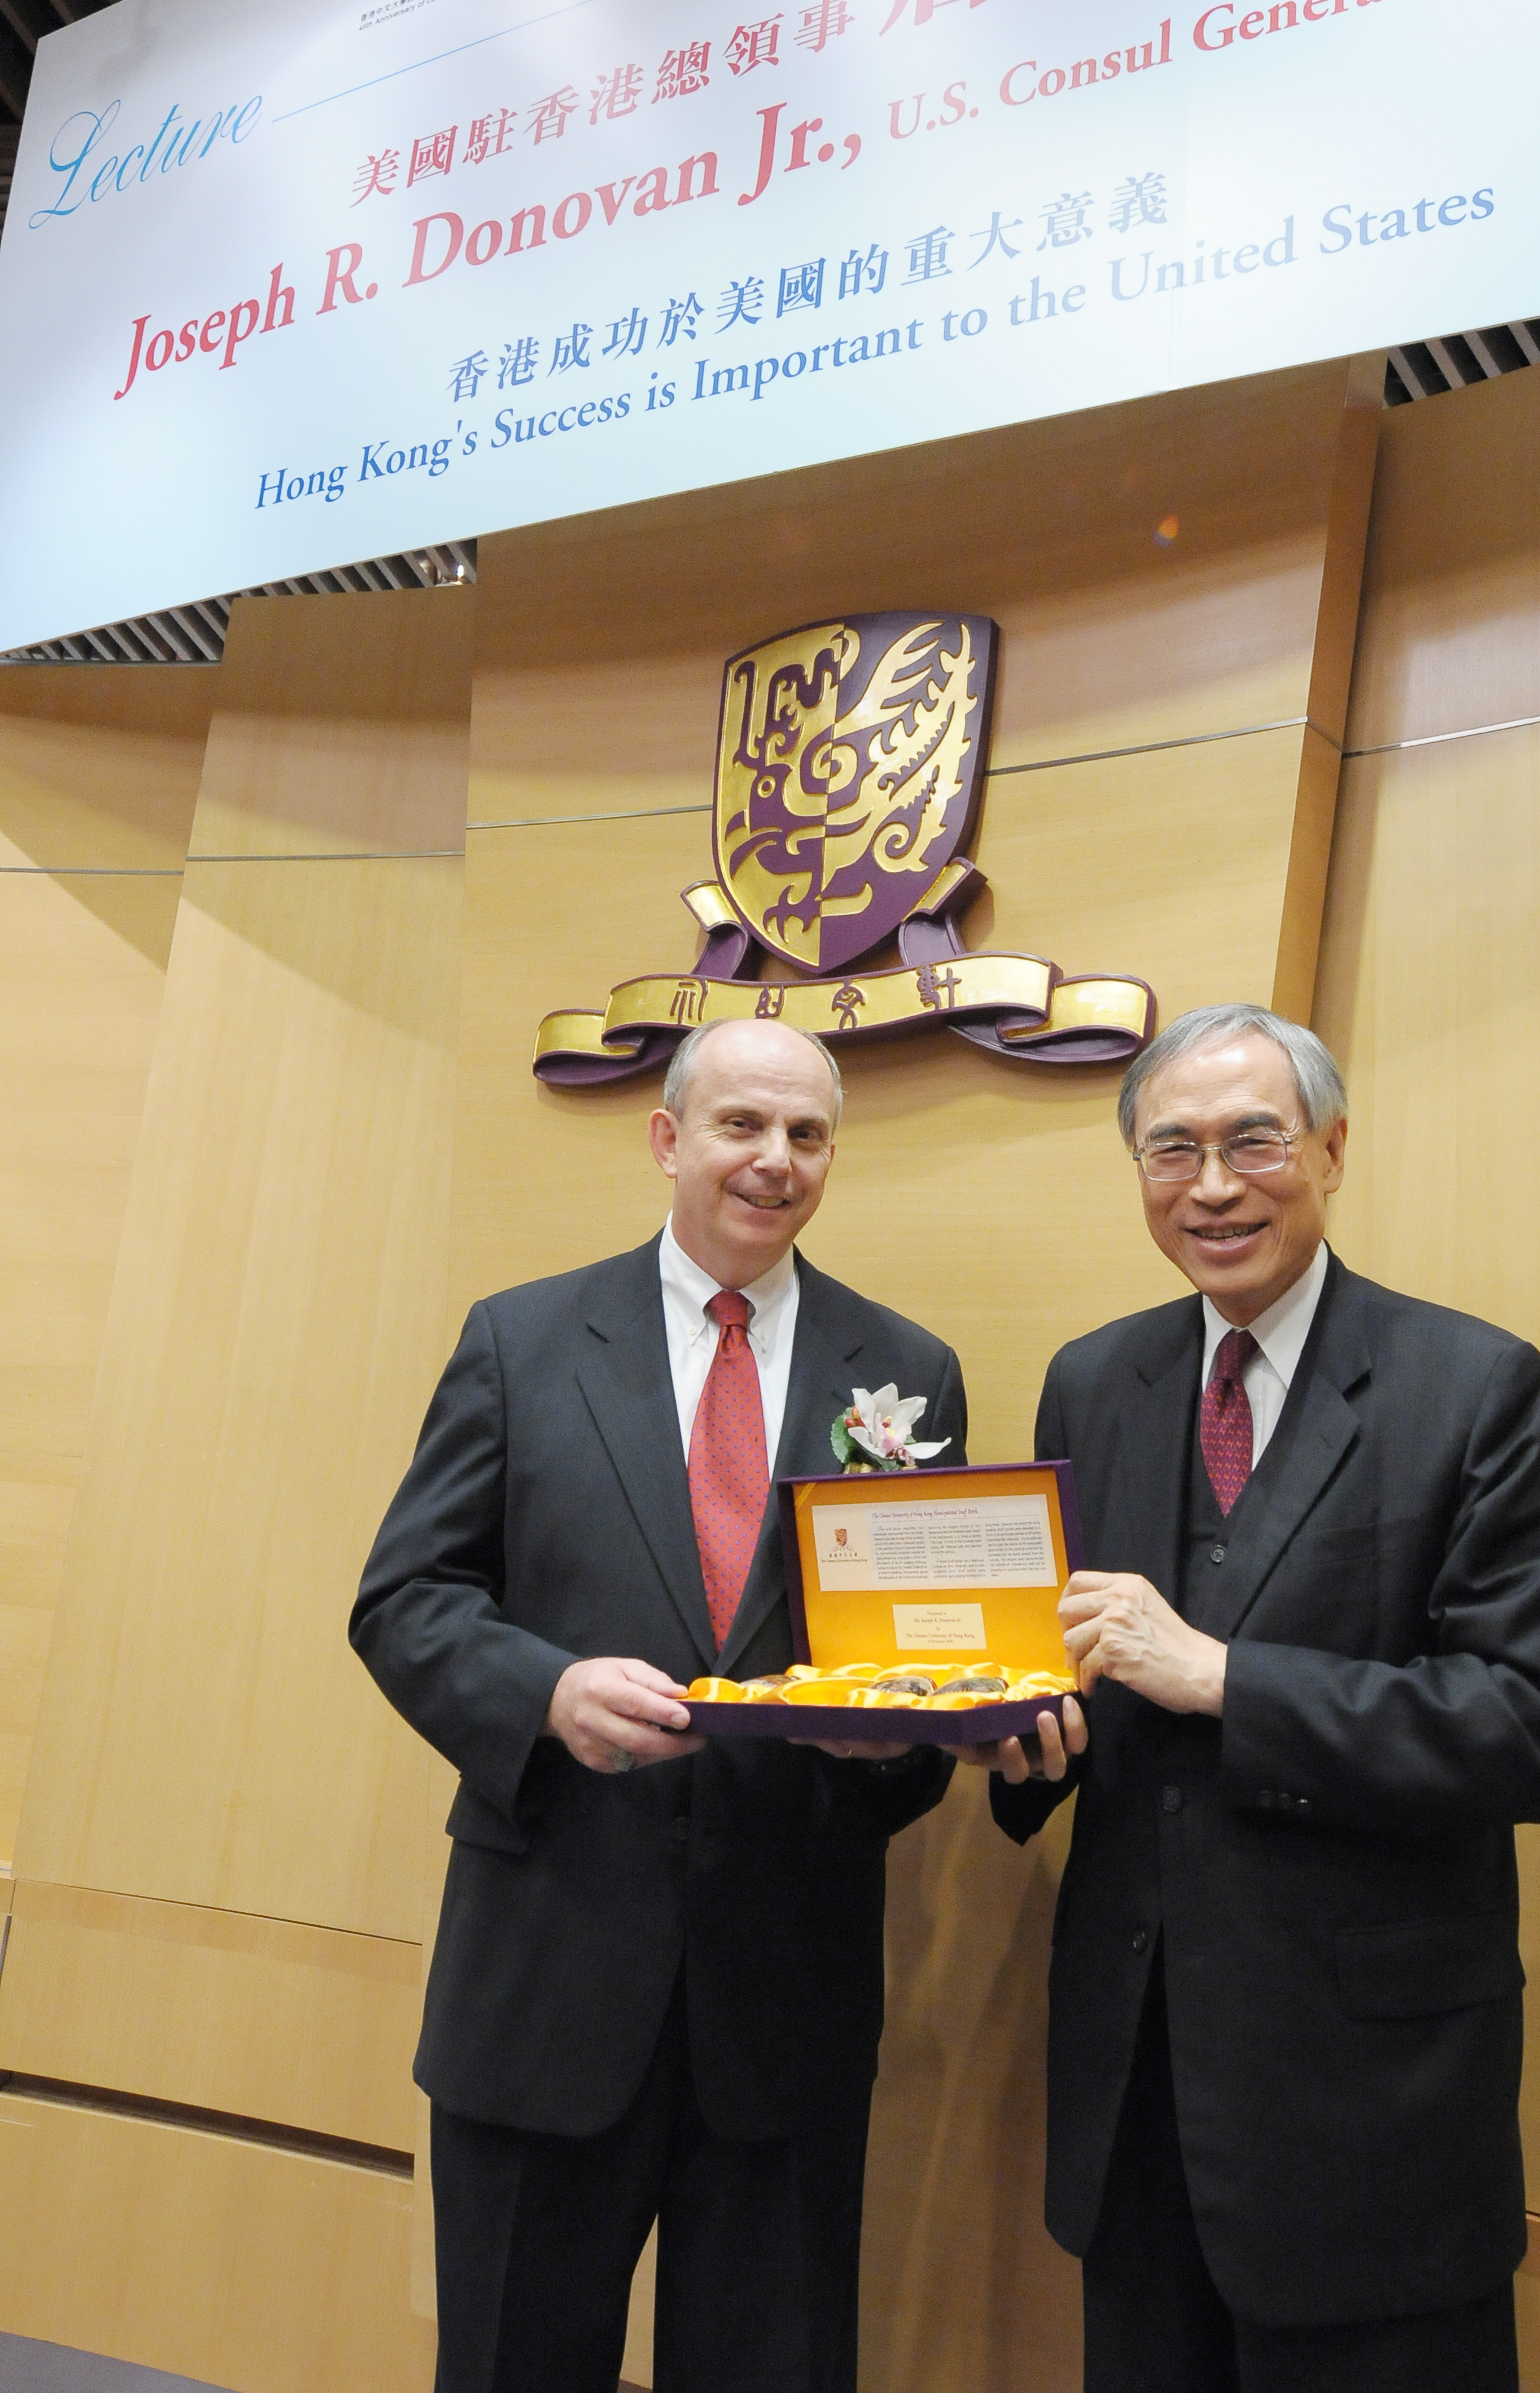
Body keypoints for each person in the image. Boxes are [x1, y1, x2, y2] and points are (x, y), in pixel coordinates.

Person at [974, 1002, 1540, 2393]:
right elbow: (1077, 1688)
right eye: (1170, 1150)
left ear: (1328, 1147)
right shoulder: (1094, 1381)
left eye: (1252, 1139)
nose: (1211, 1184)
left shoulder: (1470, 1385)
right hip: (1135, 2097)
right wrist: (1016, 1744)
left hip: (1369, 2108)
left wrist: (1224, 1677)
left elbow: (1536, 1728)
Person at [351, 1018, 964, 2393]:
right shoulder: (520, 1338)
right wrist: (546, 1688)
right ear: (667, 1138)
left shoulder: (906, 1372)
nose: (774, 1159)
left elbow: (926, 1682)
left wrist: (883, 1734)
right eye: (743, 1124)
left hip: (784, 1997)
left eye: (806, 1134)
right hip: (549, 1976)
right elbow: (404, 1601)